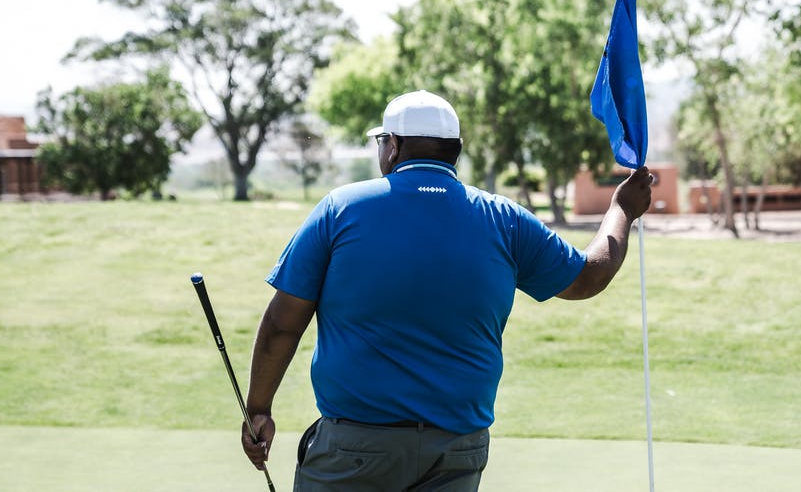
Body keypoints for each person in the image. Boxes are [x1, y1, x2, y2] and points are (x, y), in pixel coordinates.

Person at [241, 90, 653, 491]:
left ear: (394, 147)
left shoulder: (341, 208)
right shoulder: (502, 217)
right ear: (455, 149)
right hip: (458, 451)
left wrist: (258, 409)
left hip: (355, 448)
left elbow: (282, 323)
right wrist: (622, 210)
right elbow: (587, 278)